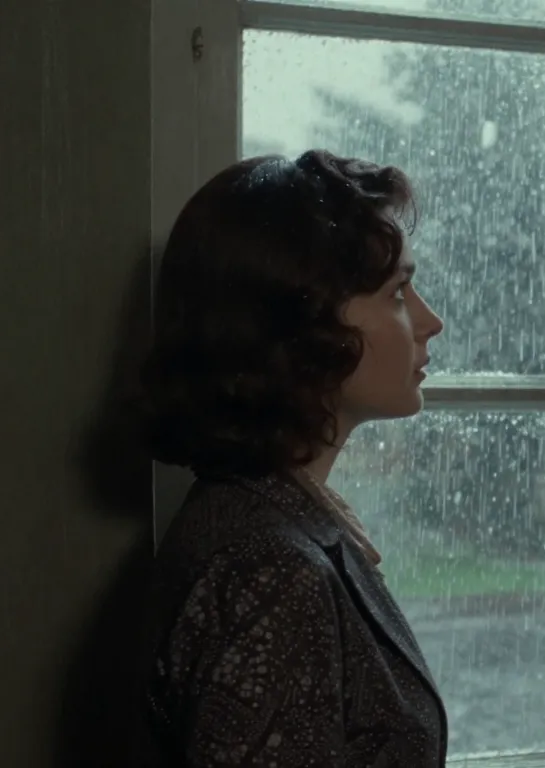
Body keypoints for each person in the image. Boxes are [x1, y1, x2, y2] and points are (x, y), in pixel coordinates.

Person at [138, 150, 447, 765]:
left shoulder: (266, 515)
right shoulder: (271, 570)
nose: (429, 321)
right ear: (305, 325)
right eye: (397, 292)